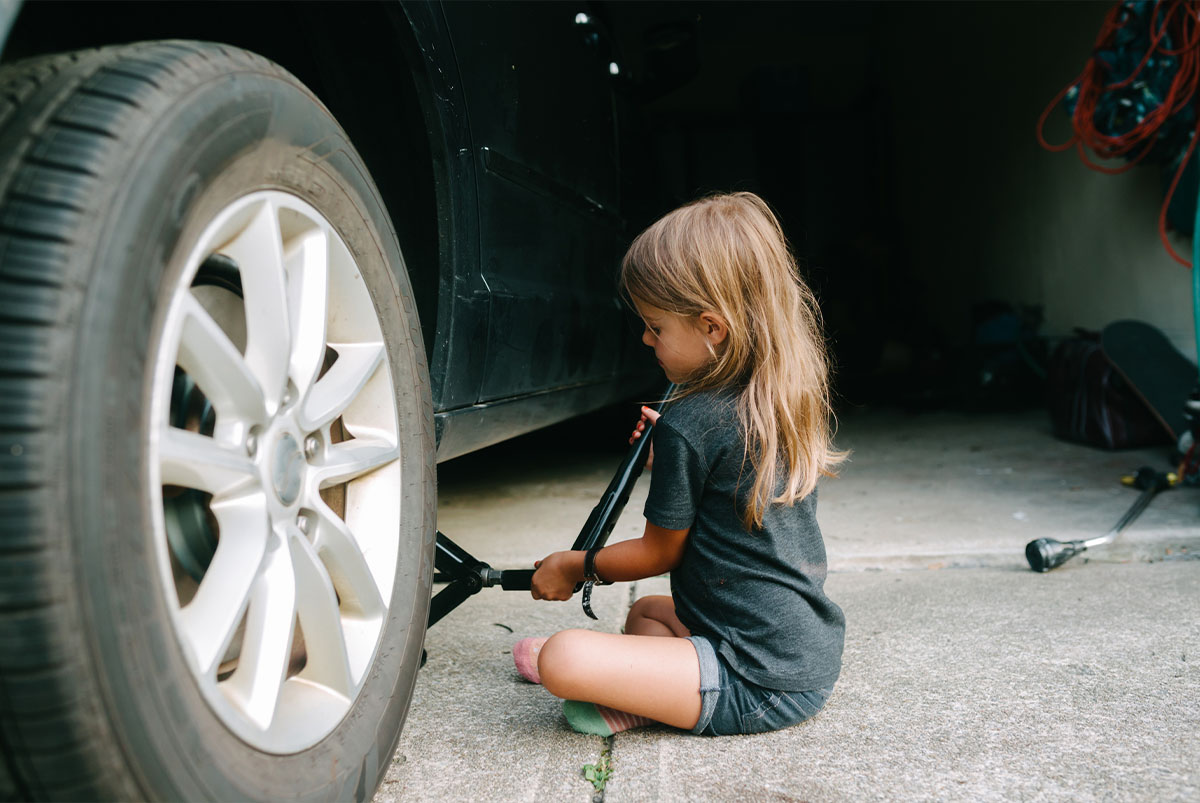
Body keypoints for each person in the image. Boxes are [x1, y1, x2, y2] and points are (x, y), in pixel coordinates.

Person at [512, 191, 847, 737]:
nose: (646, 339)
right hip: (802, 656)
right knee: (646, 613)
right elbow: (725, 486)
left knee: (564, 658)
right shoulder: (779, 398)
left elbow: (658, 551)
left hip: (755, 681)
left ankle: (643, 694)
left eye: (656, 327)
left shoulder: (692, 423)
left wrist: (573, 566)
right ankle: (647, 694)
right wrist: (666, 455)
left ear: (712, 327)